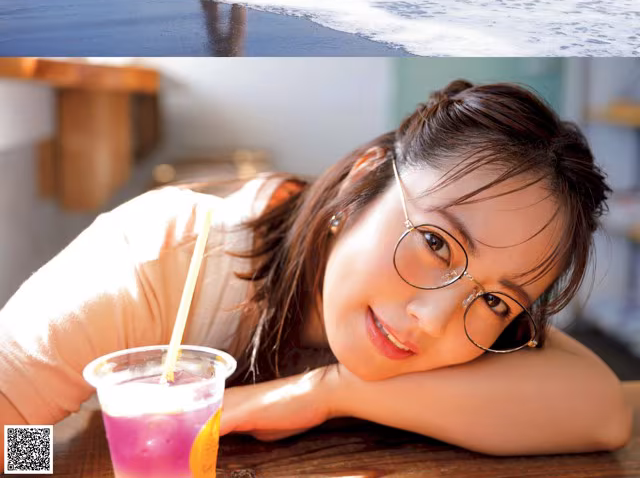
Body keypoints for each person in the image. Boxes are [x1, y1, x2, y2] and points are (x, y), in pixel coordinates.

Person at [0, 81, 632, 465]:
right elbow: (10, 433)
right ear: (363, 179)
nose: (436, 319)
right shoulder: (156, 263)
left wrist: (327, 391)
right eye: (437, 244)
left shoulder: (467, 333)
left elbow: (603, 410)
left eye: (496, 302)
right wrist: (44, 461)